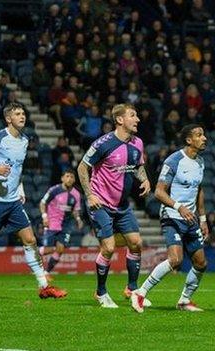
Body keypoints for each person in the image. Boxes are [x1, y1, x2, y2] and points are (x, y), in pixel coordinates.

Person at [0, 102, 66, 298]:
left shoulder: (25, 140)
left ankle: (44, 286)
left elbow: (17, 169)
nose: (22, 116)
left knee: (30, 239)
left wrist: (21, 188)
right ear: (8, 119)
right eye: (17, 114)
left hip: (13, 200)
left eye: (23, 113)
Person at [77, 103, 151, 308]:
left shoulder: (138, 143)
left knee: (136, 243)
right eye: (132, 116)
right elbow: (82, 167)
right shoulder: (103, 143)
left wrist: (144, 179)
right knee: (108, 247)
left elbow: (138, 167)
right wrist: (89, 196)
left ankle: (132, 289)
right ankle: (101, 292)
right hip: (100, 202)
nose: (137, 119)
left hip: (123, 205)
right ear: (120, 120)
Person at [131, 124, 209, 313]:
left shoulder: (200, 162)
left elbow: (198, 189)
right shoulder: (174, 161)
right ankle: (140, 293)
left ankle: (184, 301)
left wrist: (203, 218)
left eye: (204, 134)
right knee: (175, 260)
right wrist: (178, 207)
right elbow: (158, 192)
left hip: (191, 218)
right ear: (189, 140)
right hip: (172, 215)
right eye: (199, 135)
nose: (204, 138)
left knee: (200, 263)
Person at [39, 170, 83, 278]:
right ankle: (33, 253)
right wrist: (44, 217)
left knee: (61, 249)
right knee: (49, 249)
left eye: (72, 177)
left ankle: (46, 272)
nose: (69, 179)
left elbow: (75, 210)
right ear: (62, 178)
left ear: (74, 180)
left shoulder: (76, 194)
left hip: (66, 225)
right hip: (52, 223)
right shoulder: (54, 190)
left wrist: (78, 219)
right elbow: (42, 203)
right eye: (67, 176)